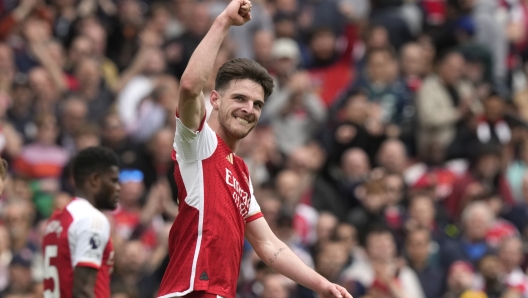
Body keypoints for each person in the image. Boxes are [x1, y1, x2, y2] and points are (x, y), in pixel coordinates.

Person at [157, 1, 352, 298]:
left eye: (257, 104)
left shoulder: (242, 172)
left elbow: (268, 245)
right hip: (192, 290)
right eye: (239, 98)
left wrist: (321, 284)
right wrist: (223, 21)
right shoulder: (199, 143)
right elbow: (188, 86)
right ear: (216, 100)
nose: (249, 109)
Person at [41, 147, 121, 297]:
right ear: (95, 180)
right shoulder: (91, 219)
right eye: (114, 180)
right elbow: (82, 291)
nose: (118, 188)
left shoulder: (55, 221)